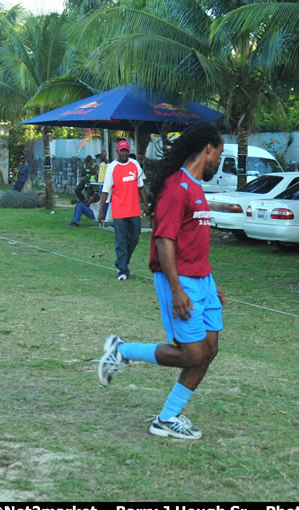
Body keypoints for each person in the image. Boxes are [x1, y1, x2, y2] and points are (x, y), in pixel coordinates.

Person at [96, 123, 226, 440]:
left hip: (202, 280)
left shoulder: (195, 186)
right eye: (218, 157)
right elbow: (164, 241)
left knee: (209, 349)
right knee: (192, 354)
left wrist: (211, 281)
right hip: (179, 281)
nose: (218, 164)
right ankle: (122, 351)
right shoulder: (175, 187)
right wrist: (178, 289)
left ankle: (167, 418)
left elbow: (192, 240)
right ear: (207, 148)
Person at [98, 140, 149, 280]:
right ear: (117, 151)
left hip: (134, 210)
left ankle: (121, 261)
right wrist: (101, 211)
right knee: (120, 240)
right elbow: (105, 191)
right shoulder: (112, 167)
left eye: (126, 150)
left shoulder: (135, 165)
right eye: (122, 151)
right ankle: (122, 271)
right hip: (119, 210)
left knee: (134, 238)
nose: (124, 153)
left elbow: (141, 187)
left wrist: (145, 205)